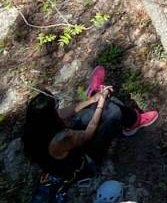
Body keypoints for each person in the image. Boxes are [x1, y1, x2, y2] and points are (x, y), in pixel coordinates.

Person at [23, 66, 159, 184]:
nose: (58, 106)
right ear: (49, 115)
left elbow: (69, 111)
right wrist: (100, 103)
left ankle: (96, 95)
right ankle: (133, 122)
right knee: (113, 111)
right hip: (85, 163)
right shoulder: (60, 139)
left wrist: (93, 99)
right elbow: (88, 133)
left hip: (72, 146)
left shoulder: (37, 126)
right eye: (56, 105)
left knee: (98, 106)